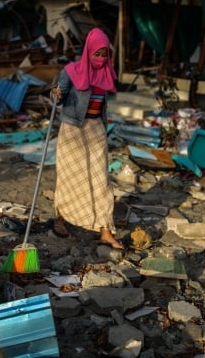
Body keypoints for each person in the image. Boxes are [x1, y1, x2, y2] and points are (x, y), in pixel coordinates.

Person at [50, 28, 123, 250]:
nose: (100, 59)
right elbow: (59, 94)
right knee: (68, 176)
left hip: (96, 129)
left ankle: (105, 230)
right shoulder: (71, 71)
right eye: (97, 54)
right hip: (72, 130)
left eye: (104, 54)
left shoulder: (106, 73)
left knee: (101, 179)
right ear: (88, 51)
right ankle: (60, 219)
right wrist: (56, 94)